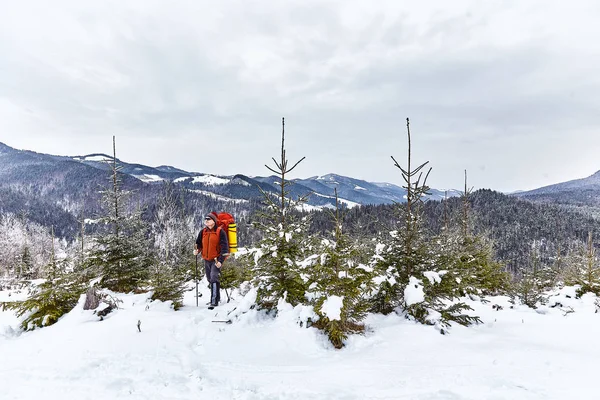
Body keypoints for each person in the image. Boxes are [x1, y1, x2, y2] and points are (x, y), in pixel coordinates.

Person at [194, 212, 228, 307]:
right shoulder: (203, 232)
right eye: (206, 220)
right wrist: (197, 250)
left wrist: (220, 261)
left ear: (213, 221)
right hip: (206, 259)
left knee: (213, 277)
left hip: (216, 260)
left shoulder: (220, 232)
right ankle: (217, 297)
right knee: (210, 279)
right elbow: (199, 244)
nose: (206, 221)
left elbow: (225, 248)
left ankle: (214, 301)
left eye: (208, 219)